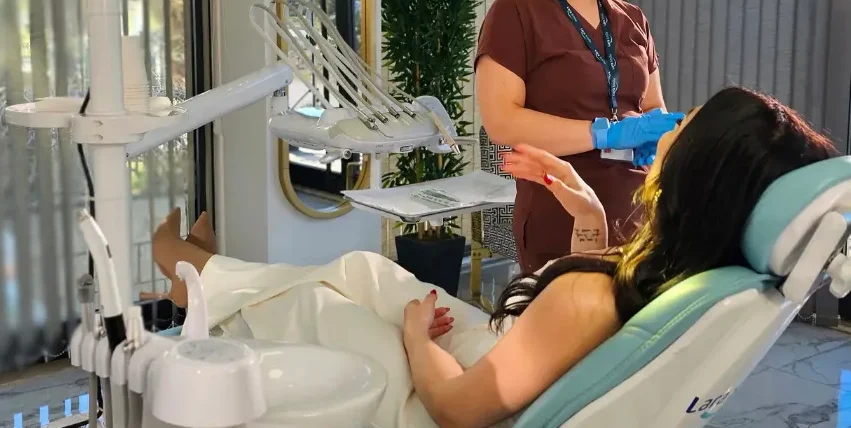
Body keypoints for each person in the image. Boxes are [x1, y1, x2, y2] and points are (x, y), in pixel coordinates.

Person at [149, 87, 835, 428]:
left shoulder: (586, 302)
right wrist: (588, 220)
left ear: (699, 177)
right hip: (503, 354)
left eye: (683, 128)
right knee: (364, 272)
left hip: (455, 391)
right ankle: (202, 276)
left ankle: (192, 280)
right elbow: (594, 322)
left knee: (314, 304)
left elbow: (454, 407)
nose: (669, 126)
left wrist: (416, 342)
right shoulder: (700, 275)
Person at [475, 0, 682, 271]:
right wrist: (603, 135)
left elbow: (653, 109)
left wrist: (657, 136)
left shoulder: (633, 20)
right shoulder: (515, 14)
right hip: (559, 221)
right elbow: (503, 123)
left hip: (636, 220)